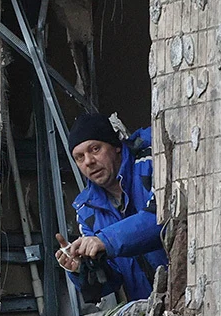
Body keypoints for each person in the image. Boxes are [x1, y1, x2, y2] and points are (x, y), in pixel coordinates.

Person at [54, 113, 168, 302]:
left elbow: (162, 218)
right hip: (154, 308)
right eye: (79, 157)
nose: (88, 161)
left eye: (95, 149)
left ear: (116, 146)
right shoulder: (86, 210)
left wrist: (105, 240)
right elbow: (111, 282)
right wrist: (82, 268)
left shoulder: (150, 163)